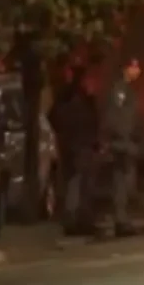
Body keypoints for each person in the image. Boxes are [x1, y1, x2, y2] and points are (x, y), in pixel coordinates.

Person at [49, 65, 99, 236]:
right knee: (80, 184)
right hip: (80, 146)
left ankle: (77, 220)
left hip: (74, 146)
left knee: (77, 184)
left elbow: (54, 119)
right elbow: (90, 122)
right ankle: (77, 221)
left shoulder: (67, 99)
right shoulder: (80, 101)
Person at [101, 55, 142, 237]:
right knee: (122, 183)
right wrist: (122, 139)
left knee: (126, 183)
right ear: (127, 69)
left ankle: (123, 219)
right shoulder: (120, 89)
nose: (138, 71)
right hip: (121, 143)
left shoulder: (127, 89)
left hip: (126, 142)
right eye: (135, 67)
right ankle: (121, 220)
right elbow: (116, 118)